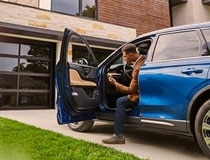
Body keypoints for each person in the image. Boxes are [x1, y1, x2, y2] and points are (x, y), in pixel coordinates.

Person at [102, 43, 145, 144]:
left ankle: (118, 135)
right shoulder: (143, 60)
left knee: (120, 101)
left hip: (139, 96)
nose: (124, 59)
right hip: (143, 92)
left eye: (125, 56)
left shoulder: (137, 68)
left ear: (131, 54)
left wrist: (115, 83)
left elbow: (131, 91)